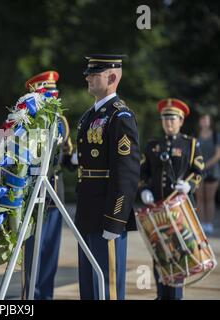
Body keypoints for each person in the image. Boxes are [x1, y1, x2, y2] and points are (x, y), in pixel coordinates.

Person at [71, 54, 140, 300]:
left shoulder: (120, 116)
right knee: (89, 286)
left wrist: (115, 219)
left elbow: (127, 174)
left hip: (106, 214)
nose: (88, 77)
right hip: (88, 210)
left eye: (94, 73)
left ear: (111, 77)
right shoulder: (90, 115)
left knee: (107, 288)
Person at [140, 98, 205, 300]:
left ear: (181, 121)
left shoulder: (190, 144)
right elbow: (144, 173)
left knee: (178, 252)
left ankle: (175, 296)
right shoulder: (152, 145)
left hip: (180, 209)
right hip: (157, 209)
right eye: (165, 119)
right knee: (159, 252)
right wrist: (144, 190)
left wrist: (189, 185)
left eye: (172, 119)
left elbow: (199, 171)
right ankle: (161, 295)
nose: (168, 123)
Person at [22, 71, 73, 300]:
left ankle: (46, 297)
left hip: (54, 194)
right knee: (32, 253)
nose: (53, 97)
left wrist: (74, 159)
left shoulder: (60, 121)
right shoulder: (24, 119)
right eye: (48, 93)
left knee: (50, 252)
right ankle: (30, 298)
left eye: (54, 93)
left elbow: (66, 153)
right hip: (32, 193)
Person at [195, 114, 220, 235]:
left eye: (206, 119)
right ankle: (201, 223)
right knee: (199, 198)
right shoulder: (196, 136)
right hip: (198, 172)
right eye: (202, 119)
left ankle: (208, 224)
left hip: (212, 171)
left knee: (209, 199)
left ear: (210, 122)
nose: (204, 122)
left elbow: (217, 155)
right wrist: (198, 167)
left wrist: (205, 165)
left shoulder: (216, 136)